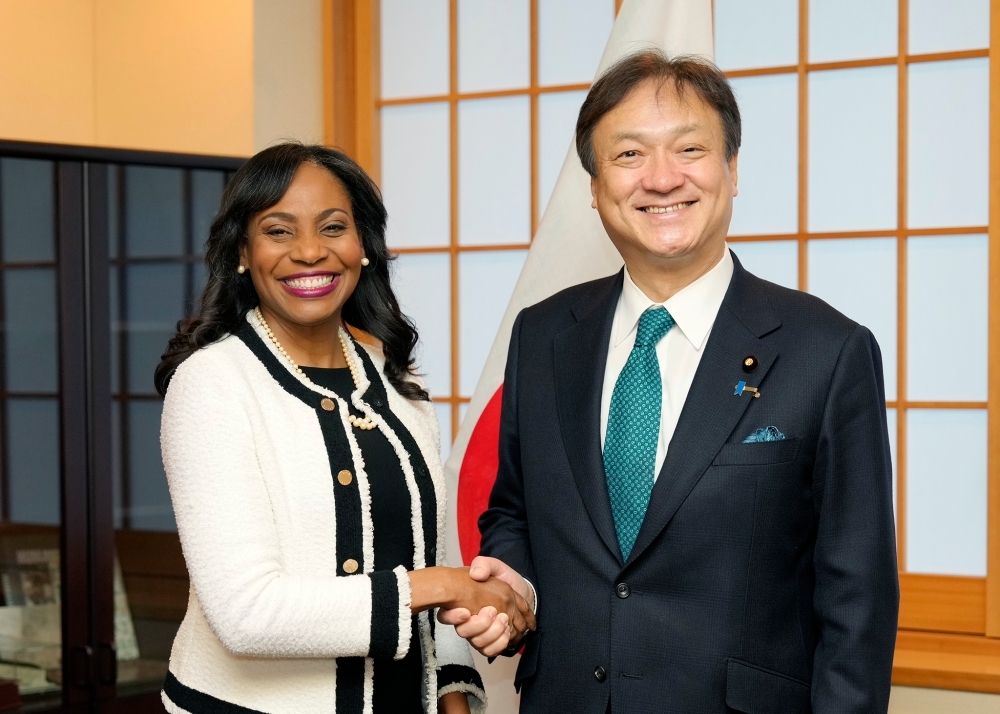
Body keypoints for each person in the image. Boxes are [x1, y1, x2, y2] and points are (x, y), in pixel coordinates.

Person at [440, 51, 899, 713]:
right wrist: (515, 591)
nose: (661, 178)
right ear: (594, 186)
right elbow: (514, 510)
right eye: (629, 155)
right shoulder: (542, 336)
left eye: (689, 149)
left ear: (732, 170)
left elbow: (858, 596)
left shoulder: (826, 351)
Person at [155, 143, 534, 714]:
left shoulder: (397, 381)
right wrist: (442, 584)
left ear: (363, 247)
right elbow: (245, 614)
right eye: (278, 231)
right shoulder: (211, 383)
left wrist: (453, 692)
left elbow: (430, 551)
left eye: (333, 227)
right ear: (243, 252)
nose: (310, 252)